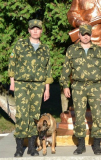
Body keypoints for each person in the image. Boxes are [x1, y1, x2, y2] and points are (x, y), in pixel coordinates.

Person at [60, 24, 101, 155]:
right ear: (79, 35)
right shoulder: (72, 50)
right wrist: (65, 85)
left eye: (88, 34)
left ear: (91, 35)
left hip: (95, 87)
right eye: (83, 34)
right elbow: (66, 69)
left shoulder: (98, 50)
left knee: (97, 116)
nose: (85, 36)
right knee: (79, 115)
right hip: (78, 87)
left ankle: (96, 144)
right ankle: (81, 145)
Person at [8, 19, 53, 157]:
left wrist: (47, 88)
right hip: (21, 84)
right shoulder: (20, 44)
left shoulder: (45, 48)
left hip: (38, 85)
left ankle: (32, 147)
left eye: (38, 28)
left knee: (34, 116)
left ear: (41, 31)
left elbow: (48, 69)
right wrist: (12, 81)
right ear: (28, 30)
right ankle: (19, 147)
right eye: (32, 28)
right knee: (21, 115)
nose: (35, 30)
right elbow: (12, 63)